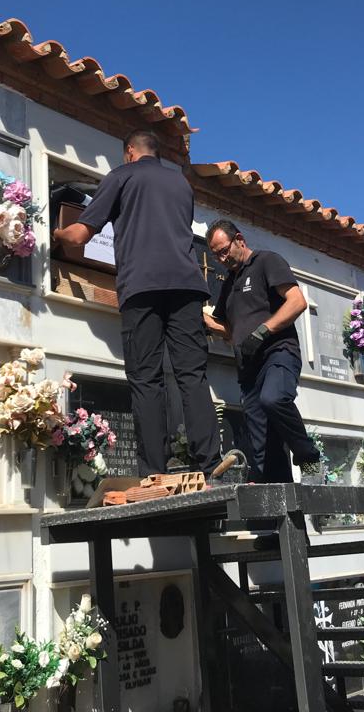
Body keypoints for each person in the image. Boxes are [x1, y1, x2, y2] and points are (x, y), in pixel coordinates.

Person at [53, 130, 222, 477]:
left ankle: (154, 471)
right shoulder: (181, 185)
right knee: (192, 375)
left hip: (142, 287)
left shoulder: (121, 176)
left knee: (147, 379)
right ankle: (211, 462)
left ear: (129, 152)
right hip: (188, 287)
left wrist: (52, 231)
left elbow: (81, 235)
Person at [203, 219, 321, 484]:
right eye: (216, 255)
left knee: (274, 399)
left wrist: (263, 331)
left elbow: (297, 302)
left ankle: (310, 459)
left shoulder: (267, 261)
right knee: (263, 448)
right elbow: (227, 329)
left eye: (224, 250)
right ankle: (280, 516)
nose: (221, 258)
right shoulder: (229, 285)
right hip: (249, 371)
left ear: (239, 239)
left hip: (278, 353)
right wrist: (196, 317)